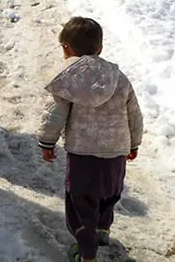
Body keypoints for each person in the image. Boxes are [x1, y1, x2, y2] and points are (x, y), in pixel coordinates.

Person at [38, 17, 144, 262]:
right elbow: (134, 113)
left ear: (66, 49)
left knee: (81, 204)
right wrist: (134, 143)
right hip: (115, 152)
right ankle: (102, 229)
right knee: (108, 194)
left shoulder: (67, 79)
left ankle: (87, 254)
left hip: (82, 154)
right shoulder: (119, 78)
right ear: (100, 48)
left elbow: (55, 114)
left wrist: (47, 142)